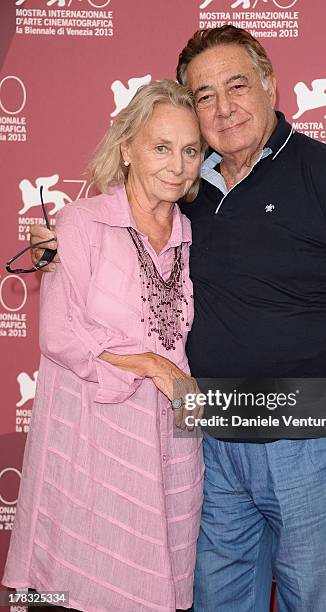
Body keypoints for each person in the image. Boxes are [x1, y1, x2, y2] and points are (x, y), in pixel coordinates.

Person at [28, 26, 326, 612]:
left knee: (320, 602)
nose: (223, 107)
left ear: (270, 85)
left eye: (237, 86)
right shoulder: (187, 190)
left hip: (311, 443)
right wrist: (65, 245)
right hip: (209, 445)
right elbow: (124, 235)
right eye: (204, 95)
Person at [2, 80, 205, 612]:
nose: (178, 166)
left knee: (154, 591)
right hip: (90, 451)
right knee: (71, 591)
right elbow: (59, 336)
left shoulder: (191, 233)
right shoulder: (81, 223)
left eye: (190, 151)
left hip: (166, 453)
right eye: (161, 147)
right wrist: (149, 364)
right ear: (127, 148)